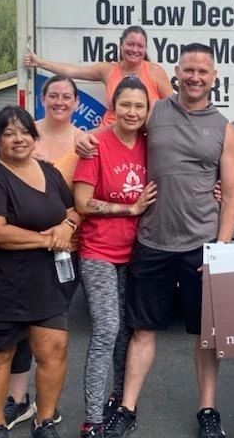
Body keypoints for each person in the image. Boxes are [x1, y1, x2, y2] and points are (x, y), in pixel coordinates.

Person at [83, 43, 234, 438]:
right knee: (143, 330)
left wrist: (220, 248)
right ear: (176, 72)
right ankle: (127, 408)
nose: (195, 77)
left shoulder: (225, 129)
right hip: (152, 241)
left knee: (206, 336)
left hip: (201, 247)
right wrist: (85, 138)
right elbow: (121, 125)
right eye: (188, 70)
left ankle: (208, 411)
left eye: (203, 72)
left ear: (214, 77)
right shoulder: (155, 112)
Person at [0, 105, 81, 438]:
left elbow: (73, 209)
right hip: (2, 284)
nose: (18, 139)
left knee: (53, 350)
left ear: (34, 138)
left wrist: (67, 225)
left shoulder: (48, 171)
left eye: (24, 132)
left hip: (47, 282)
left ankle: (44, 420)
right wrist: (46, 239)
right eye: (8, 133)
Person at [72, 77, 158, 438]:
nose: (133, 112)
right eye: (126, 105)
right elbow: (82, 202)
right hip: (99, 252)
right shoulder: (97, 145)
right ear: (114, 107)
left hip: (138, 253)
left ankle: (119, 400)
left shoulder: (151, 145)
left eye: (140, 106)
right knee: (107, 328)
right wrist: (129, 207)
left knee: (127, 332)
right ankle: (92, 419)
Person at [2, 75, 84, 430]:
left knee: (50, 330)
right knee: (18, 325)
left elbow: (90, 192)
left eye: (67, 96)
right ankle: (17, 399)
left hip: (66, 247)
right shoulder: (23, 133)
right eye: (53, 95)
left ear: (77, 103)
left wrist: (69, 227)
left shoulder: (86, 142)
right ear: (42, 98)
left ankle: (46, 406)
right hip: (18, 247)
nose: (60, 101)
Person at [24, 26, 173, 127]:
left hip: (144, 137)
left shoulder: (155, 71)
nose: (134, 50)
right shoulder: (108, 70)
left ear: (145, 48)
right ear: (121, 45)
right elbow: (73, 71)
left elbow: (172, 106)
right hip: (109, 135)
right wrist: (41, 63)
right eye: (130, 44)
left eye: (140, 46)